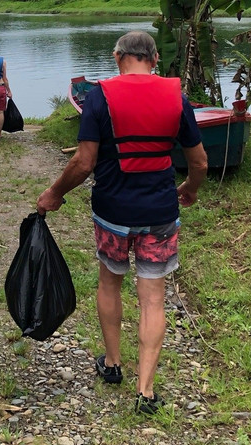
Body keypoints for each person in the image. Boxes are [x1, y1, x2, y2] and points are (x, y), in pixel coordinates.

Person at [36, 31, 207, 414]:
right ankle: (146, 391)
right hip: (160, 214)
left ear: (117, 58)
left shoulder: (99, 97)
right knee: (153, 299)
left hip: (113, 214)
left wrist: (54, 194)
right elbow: (199, 163)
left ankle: (113, 364)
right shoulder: (176, 99)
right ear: (155, 58)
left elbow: (83, 163)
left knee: (110, 281)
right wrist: (191, 189)